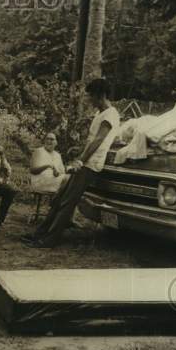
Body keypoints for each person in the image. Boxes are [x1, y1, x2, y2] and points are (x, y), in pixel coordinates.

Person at [23, 78, 120, 248]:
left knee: (67, 201)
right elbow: (91, 141)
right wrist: (79, 157)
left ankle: (49, 240)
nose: (89, 99)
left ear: (101, 95)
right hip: (84, 162)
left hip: (91, 165)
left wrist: (81, 161)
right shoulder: (100, 114)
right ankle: (39, 234)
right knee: (60, 198)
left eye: (91, 96)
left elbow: (98, 141)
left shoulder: (111, 114)